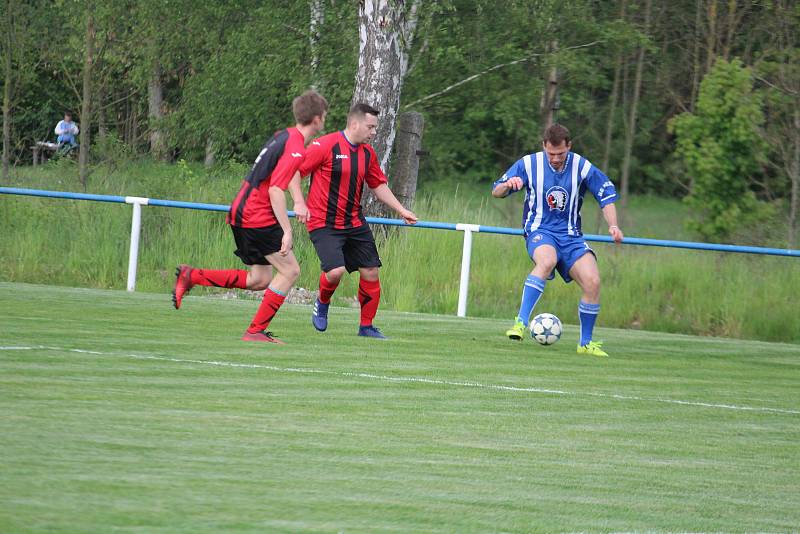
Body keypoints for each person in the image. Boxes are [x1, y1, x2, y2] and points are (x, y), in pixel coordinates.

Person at [172, 90, 328, 344]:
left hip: (241, 209)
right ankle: (255, 331)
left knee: (260, 279)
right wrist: (287, 230)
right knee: (290, 271)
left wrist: (299, 201)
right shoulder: (296, 147)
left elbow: (283, 174)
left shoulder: (284, 136)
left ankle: (192, 276)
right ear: (318, 119)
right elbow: (276, 189)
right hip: (257, 214)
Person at [492, 123, 623, 357]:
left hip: (572, 237)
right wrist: (507, 186)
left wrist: (613, 225)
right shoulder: (528, 164)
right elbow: (496, 191)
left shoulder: (582, 166)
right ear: (544, 146)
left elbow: (606, 197)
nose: (555, 159)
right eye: (550, 154)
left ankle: (585, 344)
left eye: (560, 154)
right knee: (547, 260)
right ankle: (520, 324)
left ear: (569, 146)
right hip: (540, 230)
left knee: (593, 282)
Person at [295, 103, 417, 339]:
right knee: (335, 272)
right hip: (323, 222)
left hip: (353, 222)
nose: (373, 133)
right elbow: (295, 173)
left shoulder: (368, 154)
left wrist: (401, 210)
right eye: (370, 127)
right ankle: (322, 302)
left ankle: (366, 327)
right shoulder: (325, 145)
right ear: (354, 124)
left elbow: (378, 186)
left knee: (371, 271)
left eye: (375, 128)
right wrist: (299, 203)